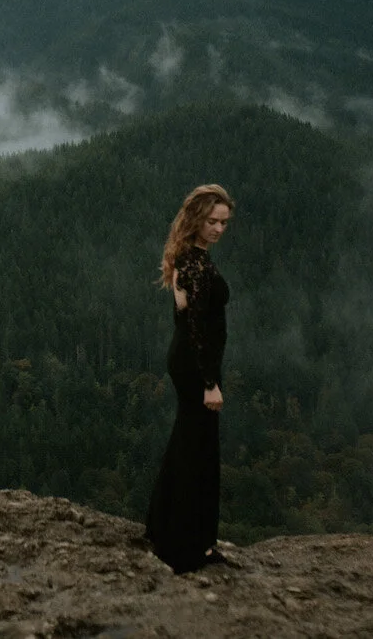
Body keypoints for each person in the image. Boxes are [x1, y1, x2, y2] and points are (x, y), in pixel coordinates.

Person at [145, 183, 235, 572]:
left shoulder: (188, 256)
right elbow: (198, 326)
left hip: (187, 360)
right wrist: (210, 384)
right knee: (199, 449)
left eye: (224, 222)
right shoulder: (195, 264)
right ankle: (188, 547)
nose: (218, 229)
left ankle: (166, 532)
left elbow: (184, 315)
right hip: (196, 366)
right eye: (212, 221)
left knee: (187, 442)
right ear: (197, 219)